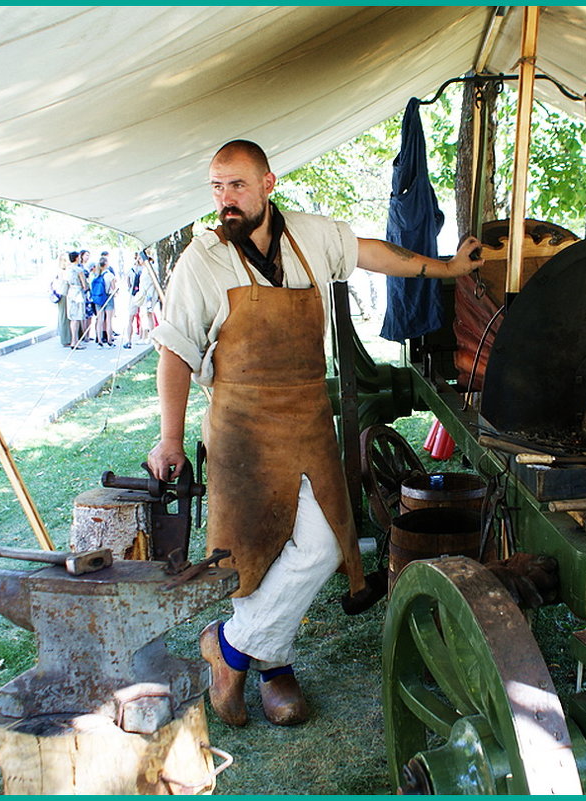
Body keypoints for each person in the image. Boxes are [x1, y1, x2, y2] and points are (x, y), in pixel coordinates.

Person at [146, 139, 482, 727]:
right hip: (240, 426)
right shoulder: (201, 260)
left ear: (268, 183)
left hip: (305, 418)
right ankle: (275, 668)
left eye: (237, 185)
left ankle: (229, 649)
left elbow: (375, 253)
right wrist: (170, 439)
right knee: (249, 549)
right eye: (217, 187)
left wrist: (447, 269)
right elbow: (175, 350)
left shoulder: (310, 235)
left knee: (323, 544)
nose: (225, 199)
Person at [89, 257, 116, 347]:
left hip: (98, 298)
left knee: (99, 320)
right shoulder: (109, 275)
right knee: (108, 320)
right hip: (108, 297)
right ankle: (109, 340)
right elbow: (113, 288)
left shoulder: (96, 275)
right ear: (106, 264)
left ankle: (99, 340)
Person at [65, 251, 89, 349]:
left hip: (70, 292)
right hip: (78, 292)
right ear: (76, 258)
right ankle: (75, 341)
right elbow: (84, 284)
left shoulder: (68, 269)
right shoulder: (79, 270)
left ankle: (73, 340)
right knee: (77, 318)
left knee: (72, 318)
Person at [52, 253, 71, 347]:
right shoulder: (62, 271)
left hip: (64, 293)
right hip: (63, 294)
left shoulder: (63, 271)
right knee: (64, 316)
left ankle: (68, 337)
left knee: (65, 316)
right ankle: (65, 339)